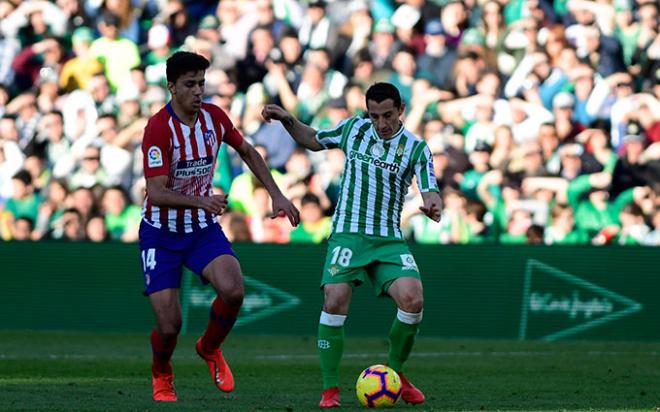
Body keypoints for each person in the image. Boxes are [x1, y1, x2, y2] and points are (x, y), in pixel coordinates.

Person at [262, 82, 442, 408]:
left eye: (388, 115)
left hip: (388, 238)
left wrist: (433, 205)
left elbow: (430, 187)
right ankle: (330, 389)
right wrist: (289, 119)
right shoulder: (353, 130)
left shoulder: (416, 148)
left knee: (413, 299)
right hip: (347, 233)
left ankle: (396, 374)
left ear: (400, 110)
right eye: (375, 116)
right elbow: (312, 139)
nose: (381, 123)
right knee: (334, 299)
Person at [139, 51, 299, 402]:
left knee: (234, 290)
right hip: (161, 234)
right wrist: (203, 200)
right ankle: (162, 373)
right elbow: (157, 191)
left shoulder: (214, 117)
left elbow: (249, 152)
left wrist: (277, 195)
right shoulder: (158, 128)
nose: (198, 91)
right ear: (171, 88)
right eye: (190, 84)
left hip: (200, 228)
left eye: (201, 83)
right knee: (169, 326)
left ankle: (210, 348)